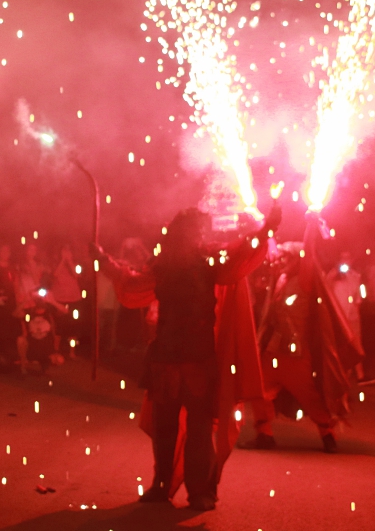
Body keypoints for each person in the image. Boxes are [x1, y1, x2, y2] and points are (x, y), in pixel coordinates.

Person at [96, 205, 280, 511]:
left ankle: (182, 488)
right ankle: (177, 488)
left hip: (187, 360)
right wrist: (103, 260)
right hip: (176, 360)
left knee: (185, 429)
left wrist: (264, 231)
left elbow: (239, 256)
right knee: (183, 429)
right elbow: (133, 283)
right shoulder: (177, 263)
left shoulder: (194, 261)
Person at [242, 238, 360, 452]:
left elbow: (308, 251)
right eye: (282, 255)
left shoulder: (304, 279)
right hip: (273, 352)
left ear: (298, 259)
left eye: (287, 256)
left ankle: (327, 434)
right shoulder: (280, 277)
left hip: (295, 354)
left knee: (310, 397)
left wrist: (311, 221)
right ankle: (264, 435)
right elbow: (271, 250)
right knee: (258, 391)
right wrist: (267, 226)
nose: (281, 258)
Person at [330, 250, 370, 384]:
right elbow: (324, 287)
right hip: (338, 317)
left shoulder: (356, 276)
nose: (345, 261)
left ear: (351, 260)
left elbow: (358, 297)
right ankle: (343, 378)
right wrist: (334, 273)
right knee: (341, 347)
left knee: (356, 344)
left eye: (348, 258)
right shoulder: (333, 275)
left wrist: (356, 311)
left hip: (352, 316)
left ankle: (361, 376)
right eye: (342, 258)